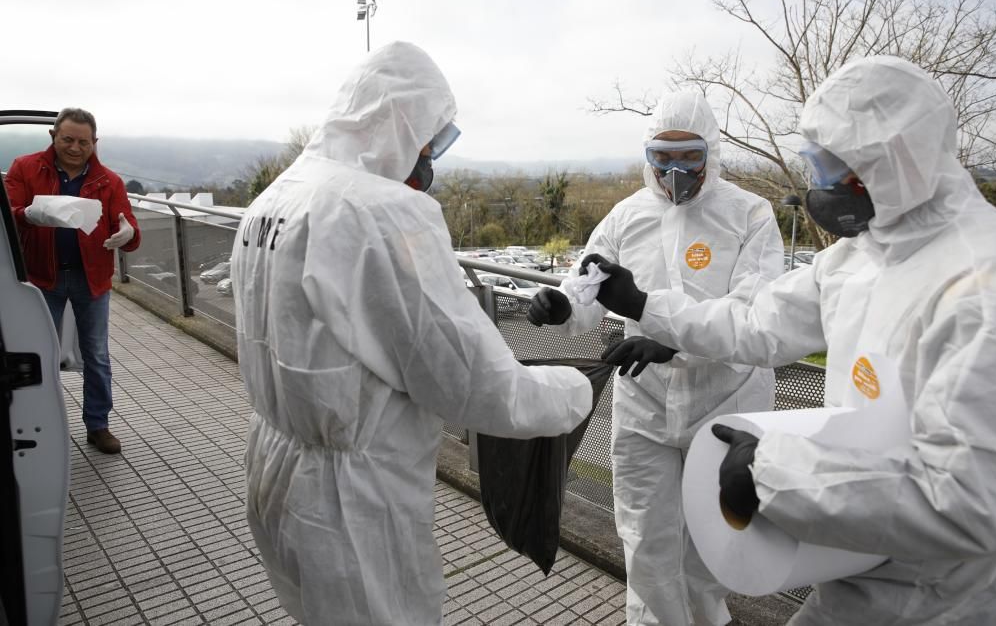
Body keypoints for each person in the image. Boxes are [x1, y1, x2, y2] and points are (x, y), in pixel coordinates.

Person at [583, 56, 996, 625]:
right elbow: (757, 324)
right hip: (852, 562)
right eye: (816, 163)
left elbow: (970, 504)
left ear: (892, 162)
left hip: (943, 598)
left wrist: (776, 473)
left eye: (832, 166)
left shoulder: (979, 286)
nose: (819, 186)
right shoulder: (861, 257)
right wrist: (645, 307)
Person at [230, 41, 593, 626]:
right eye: (430, 139)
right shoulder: (377, 211)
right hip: (353, 503)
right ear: (396, 122)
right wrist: (573, 389)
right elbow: (468, 378)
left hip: (276, 467)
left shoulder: (274, 201)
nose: (429, 159)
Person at [528, 90, 785, 625]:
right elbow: (590, 290)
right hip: (644, 404)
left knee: (709, 545)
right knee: (644, 538)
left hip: (724, 402)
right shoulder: (626, 218)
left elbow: (751, 312)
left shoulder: (749, 215)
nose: (674, 170)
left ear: (711, 151)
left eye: (689, 155)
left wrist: (672, 341)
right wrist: (560, 307)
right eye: (661, 157)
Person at [4, 108, 140, 454]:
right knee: (40, 353)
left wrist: (127, 234)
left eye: (84, 142)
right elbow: (8, 212)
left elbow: (129, 228)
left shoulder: (109, 181)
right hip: (41, 277)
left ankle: (98, 424)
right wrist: (28, 215)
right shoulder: (25, 167)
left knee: (96, 354)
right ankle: (41, 421)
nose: (76, 148)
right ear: (53, 136)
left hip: (90, 279)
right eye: (68, 139)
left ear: (95, 143)